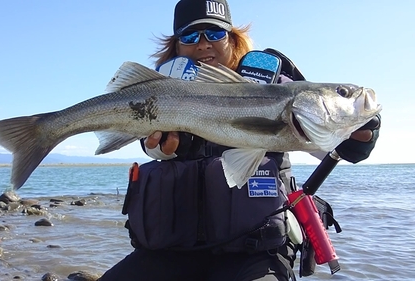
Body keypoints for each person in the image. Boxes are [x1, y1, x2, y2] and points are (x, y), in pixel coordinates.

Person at [99, 0, 381, 280]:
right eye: (189, 36)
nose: (203, 44)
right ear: (175, 45)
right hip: (171, 250)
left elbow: (331, 146)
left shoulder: (275, 85)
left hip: (255, 254)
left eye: (215, 33)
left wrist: (356, 140)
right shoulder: (159, 91)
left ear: (233, 39)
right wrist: (165, 150)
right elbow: (152, 148)